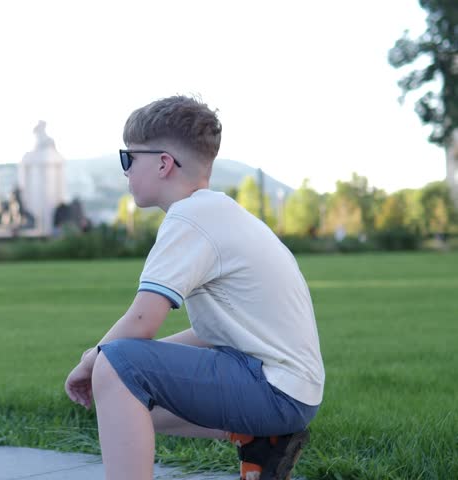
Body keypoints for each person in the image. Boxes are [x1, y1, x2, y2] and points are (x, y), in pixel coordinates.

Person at [64, 95, 324, 480]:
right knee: (123, 389)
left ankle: (262, 431)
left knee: (117, 367)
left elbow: (142, 321)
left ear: (163, 163)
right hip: (292, 392)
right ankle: (261, 440)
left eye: (128, 158)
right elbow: (211, 333)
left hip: (274, 390)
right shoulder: (218, 212)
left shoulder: (189, 219)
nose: (126, 172)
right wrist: (109, 365)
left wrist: (91, 361)